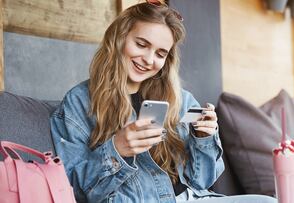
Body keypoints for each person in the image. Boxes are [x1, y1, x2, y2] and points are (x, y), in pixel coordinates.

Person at [50, 1, 277, 203]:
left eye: (160, 53)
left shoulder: (181, 99)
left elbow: (201, 182)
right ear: (119, 38)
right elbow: (73, 190)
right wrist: (117, 149)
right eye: (141, 44)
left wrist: (203, 139)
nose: (149, 60)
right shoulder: (79, 102)